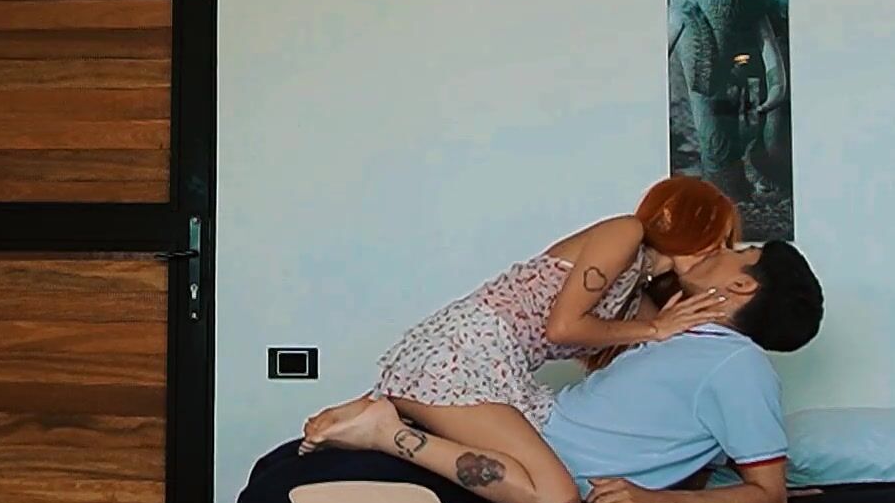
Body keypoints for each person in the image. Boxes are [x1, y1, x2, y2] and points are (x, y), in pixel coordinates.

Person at [189, 241, 824, 503]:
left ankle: (392, 416)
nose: (721, 248)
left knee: (553, 494)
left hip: (523, 424)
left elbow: (768, 495)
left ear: (743, 288)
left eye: (739, 251)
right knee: (553, 496)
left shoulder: (737, 366)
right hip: (524, 417)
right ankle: (390, 428)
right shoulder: (682, 335)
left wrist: (659, 499)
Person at [302, 176, 743, 454]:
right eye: (716, 238)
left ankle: (368, 414)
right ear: (688, 223)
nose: (718, 252)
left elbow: (656, 355)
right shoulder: (625, 232)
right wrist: (656, 328)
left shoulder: (638, 293)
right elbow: (563, 327)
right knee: (544, 485)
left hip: (493, 353)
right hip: (471, 343)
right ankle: (380, 420)